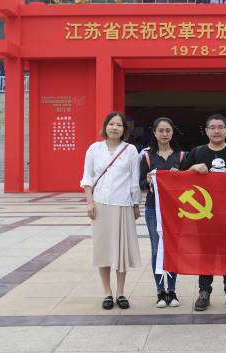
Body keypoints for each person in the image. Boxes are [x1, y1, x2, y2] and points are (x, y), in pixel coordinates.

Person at [181, 113, 226, 311]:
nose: (216, 131)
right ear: (206, 131)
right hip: (204, 214)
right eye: (212, 127)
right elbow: (180, 178)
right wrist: (193, 167)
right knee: (206, 253)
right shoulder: (197, 152)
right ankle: (204, 291)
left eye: (220, 127)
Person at [81, 112, 142, 310]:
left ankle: (121, 292)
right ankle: (107, 292)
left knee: (121, 251)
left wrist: (135, 204)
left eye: (119, 125)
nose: (115, 128)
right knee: (103, 250)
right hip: (100, 205)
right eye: (111, 124)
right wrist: (89, 202)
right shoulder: (94, 149)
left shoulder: (130, 150)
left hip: (123, 205)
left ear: (124, 129)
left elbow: (134, 181)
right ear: (105, 126)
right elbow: (87, 177)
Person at [139, 117, 185, 308]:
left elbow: (190, 182)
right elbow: (140, 184)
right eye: (161, 130)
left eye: (168, 130)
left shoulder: (181, 156)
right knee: (156, 249)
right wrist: (149, 180)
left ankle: (172, 290)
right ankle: (160, 291)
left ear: (172, 133)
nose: (164, 134)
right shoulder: (147, 157)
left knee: (172, 248)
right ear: (155, 133)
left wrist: (179, 177)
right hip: (153, 209)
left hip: (176, 210)